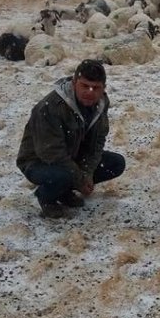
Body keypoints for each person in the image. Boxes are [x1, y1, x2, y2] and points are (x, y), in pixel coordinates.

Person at [17, 59, 125, 218]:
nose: (89, 91)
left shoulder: (101, 103)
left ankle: (64, 191)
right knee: (63, 175)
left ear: (103, 88)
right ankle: (46, 197)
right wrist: (80, 179)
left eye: (95, 88)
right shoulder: (51, 107)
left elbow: (97, 142)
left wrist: (87, 172)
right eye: (84, 85)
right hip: (39, 161)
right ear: (74, 83)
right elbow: (51, 153)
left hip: (72, 155)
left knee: (116, 163)